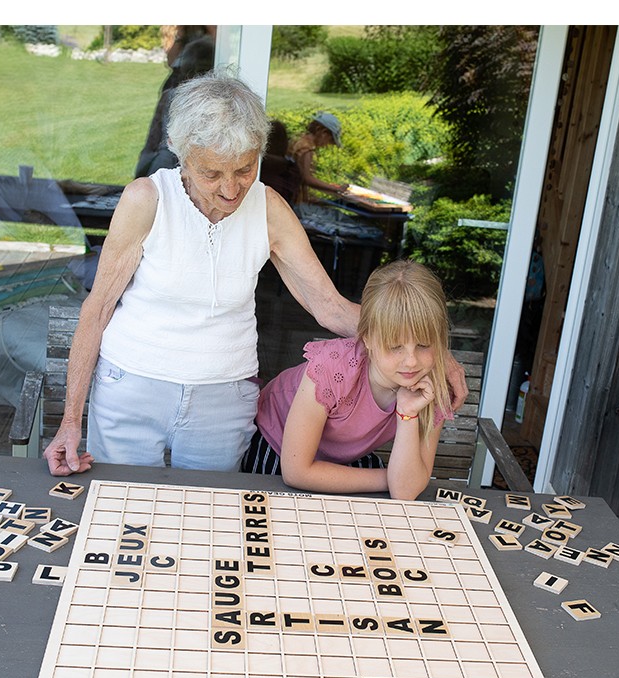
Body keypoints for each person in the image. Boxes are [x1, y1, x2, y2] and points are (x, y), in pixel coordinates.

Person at [43, 73, 468, 478]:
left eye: (245, 169)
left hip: (223, 396)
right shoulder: (147, 200)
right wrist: (69, 420)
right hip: (131, 385)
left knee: (210, 523)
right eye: (212, 173)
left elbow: (329, 306)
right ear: (180, 153)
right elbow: (96, 309)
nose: (231, 189)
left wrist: (432, 350)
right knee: (122, 509)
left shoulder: (268, 209)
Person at [241, 260, 454, 500]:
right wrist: (393, 476)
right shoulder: (332, 369)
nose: (411, 361)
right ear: (367, 339)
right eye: (395, 347)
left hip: (343, 457)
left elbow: (405, 491)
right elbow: (296, 472)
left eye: (424, 345)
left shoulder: (431, 389)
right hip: (279, 448)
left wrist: (407, 413)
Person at [134, 26, 215, 178]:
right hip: (180, 84)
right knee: (161, 139)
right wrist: (181, 33)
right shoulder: (179, 29)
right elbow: (171, 61)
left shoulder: (212, 31)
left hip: (200, 85)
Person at [289, 111, 349, 203]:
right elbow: (307, 179)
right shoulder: (306, 149)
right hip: (293, 199)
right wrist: (335, 189)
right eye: (330, 140)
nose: (327, 144)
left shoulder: (299, 139)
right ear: (323, 132)